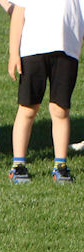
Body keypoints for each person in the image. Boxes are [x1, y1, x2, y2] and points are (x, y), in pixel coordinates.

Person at [7, 0, 84, 184]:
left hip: (67, 51)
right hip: (33, 50)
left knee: (60, 110)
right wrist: (13, 53)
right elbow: (18, 13)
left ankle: (60, 165)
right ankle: (18, 164)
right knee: (28, 108)